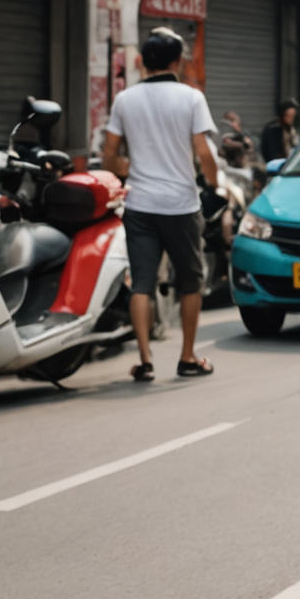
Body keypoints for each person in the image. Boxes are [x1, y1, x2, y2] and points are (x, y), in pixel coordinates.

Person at [102, 28, 219, 382]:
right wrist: (212, 187)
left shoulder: (125, 99)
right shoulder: (191, 97)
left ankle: (145, 359)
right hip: (181, 205)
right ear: (176, 61)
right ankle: (187, 357)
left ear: (145, 62)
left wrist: (128, 173)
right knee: (190, 281)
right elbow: (204, 153)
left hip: (140, 203)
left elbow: (110, 154)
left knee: (142, 282)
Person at [260, 100, 300, 164]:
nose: (291, 119)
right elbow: (270, 152)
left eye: (293, 116)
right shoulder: (272, 130)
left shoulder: (295, 130)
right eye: (289, 116)